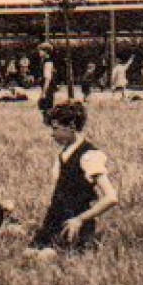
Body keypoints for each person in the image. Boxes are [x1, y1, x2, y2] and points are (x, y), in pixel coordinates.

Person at [29, 100, 119, 256]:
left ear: (71, 126)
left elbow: (111, 198)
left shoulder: (89, 156)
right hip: (54, 219)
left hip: (74, 223)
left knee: (46, 257)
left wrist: (80, 219)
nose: (52, 133)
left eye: (55, 128)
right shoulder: (63, 154)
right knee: (29, 254)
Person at [36, 44, 57, 118]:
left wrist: (44, 92)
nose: (39, 52)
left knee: (47, 105)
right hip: (47, 86)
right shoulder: (44, 61)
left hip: (48, 86)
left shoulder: (48, 62)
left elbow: (47, 78)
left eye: (40, 51)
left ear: (46, 52)